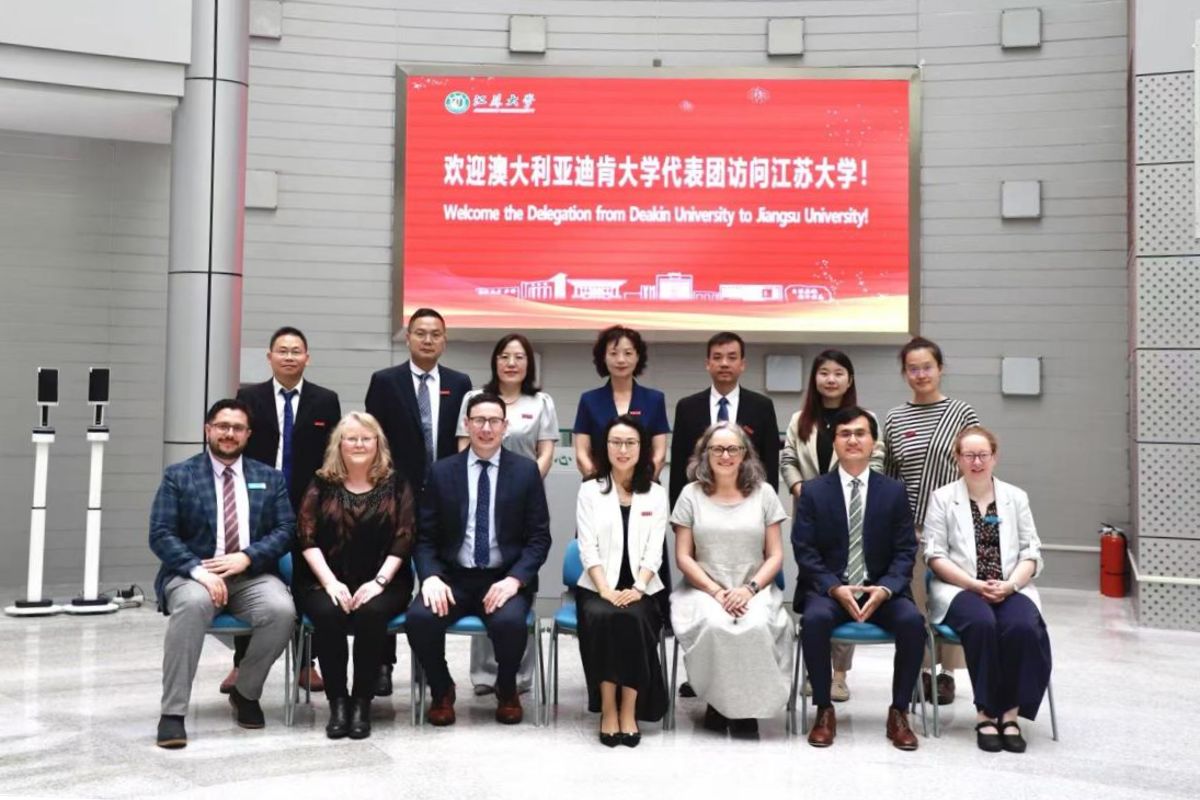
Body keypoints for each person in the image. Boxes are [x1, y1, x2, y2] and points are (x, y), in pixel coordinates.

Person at [150, 399, 295, 749]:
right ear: (208, 430)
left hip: (250, 574)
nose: (229, 433)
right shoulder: (179, 476)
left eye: (237, 428)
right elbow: (161, 534)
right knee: (192, 606)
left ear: (248, 434)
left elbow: (286, 529)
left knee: (282, 611)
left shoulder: (269, 478)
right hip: (194, 574)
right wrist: (199, 571)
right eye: (222, 426)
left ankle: (245, 692)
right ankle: (173, 713)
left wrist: (247, 557)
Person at [406, 393, 552, 726]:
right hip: (452, 577)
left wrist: (515, 580)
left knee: (510, 623)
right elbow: (424, 536)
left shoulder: (525, 472)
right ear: (467, 424)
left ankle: (506, 687)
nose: (486, 428)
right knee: (420, 619)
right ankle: (442, 688)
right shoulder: (443, 471)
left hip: (503, 577)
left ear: (505, 426)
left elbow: (539, 538)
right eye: (479, 421)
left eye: (494, 421)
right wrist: (430, 576)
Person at [792, 406, 924, 751]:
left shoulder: (893, 491)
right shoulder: (813, 491)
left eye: (860, 433)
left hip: (881, 590)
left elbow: (906, 550)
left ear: (874, 442)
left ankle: (899, 712)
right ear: (834, 441)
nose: (852, 440)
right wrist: (834, 588)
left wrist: (886, 589)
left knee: (912, 623)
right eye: (845, 434)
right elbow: (805, 550)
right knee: (814, 621)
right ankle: (824, 709)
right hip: (831, 590)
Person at [227, 325, 341, 695]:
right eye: (282, 350)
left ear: (307, 357)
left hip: (310, 505)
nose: (289, 357)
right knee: (254, 579)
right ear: (270, 357)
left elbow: (332, 455)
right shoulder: (249, 397)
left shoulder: (326, 400)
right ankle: (241, 663)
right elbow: (237, 449)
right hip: (259, 505)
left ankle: (307, 663)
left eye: (296, 351)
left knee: (308, 581)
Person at [923, 426, 1051, 753]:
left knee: (1022, 627)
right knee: (982, 624)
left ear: (995, 457)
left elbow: (1031, 552)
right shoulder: (942, 498)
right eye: (969, 455)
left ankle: (1010, 715)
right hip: (960, 587)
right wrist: (973, 584)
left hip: (1011, 585)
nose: (977, 462)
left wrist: (1011, 585)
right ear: (958, 458)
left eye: (983, 455)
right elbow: (934, 555)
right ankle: (986, 714)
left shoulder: (1015, 497)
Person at [365, 307, 472, 694]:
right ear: (408, 337)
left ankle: (430, 664)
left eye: (435, 334)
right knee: (389, 577)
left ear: (445, 340)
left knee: (436, 580)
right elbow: (375, 442)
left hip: (444, 498)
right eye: (421, 333)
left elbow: (462, 442)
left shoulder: (460, 383)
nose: (428, 340)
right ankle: (382, 663)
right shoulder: (385, 381)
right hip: (395, 497)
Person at [668, 331, 780, 698]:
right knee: (706, 610)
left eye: (732, 357)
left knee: (749, 616)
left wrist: (759, 523)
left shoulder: (761, 407)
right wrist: (682, 524)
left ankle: (745, 688)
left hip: (747, 525)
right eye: (717, 357)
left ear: (743, 363)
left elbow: (770, 468)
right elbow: (679, 470)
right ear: (707, 363)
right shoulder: (688, 407)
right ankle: (703, 680)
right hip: (702, 525)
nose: (725, 363)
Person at [295, 412, 415, 740]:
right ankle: (338, 703)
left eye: (366, 438)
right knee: (328, 613)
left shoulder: (396, 483)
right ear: (339, 444)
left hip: (385, 581)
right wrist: (330, 583)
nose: (359, 444)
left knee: (370, 614)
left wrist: (379, 583)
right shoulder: (321, 483)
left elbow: (405, 537)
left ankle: (362, 702)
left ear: (378, 443)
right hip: (324, 580)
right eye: (351, 438)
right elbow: (306, 536)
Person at [670, 422, 791, 737]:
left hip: (754, 588)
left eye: (733, 448)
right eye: (717, 449)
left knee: (755, 625)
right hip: (703, 589)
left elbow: (775, 555)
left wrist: (749, 590)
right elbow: (683, 557)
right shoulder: (690, 495)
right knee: (715, 624)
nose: (725, 455)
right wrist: (716, 592)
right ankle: (717, 701)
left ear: (745, 454)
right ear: (705, 454)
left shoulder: (764, 494)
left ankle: (747, 710)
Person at [456, 333, 559, 696]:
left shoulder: (541, 402)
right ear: (495, 361)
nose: (511, 363)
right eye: (504, 356)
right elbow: (463, 448)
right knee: (480, 575)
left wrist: (522, 484)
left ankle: (517, 677)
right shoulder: (475, 398)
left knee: (515, 583)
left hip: (524, 499)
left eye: (519, 357)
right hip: (479, 496)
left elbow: (545, 451)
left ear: (529, 363)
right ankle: (485, 675)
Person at [779, 349, 884, 702]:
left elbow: (877, 460)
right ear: (815, 379)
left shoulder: (866, 418)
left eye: (839, 372)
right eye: (824, 372)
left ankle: (839, 675)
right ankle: (815, 669)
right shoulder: (800, 420)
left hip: (853, 513)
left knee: (848, 586)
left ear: (850, 379)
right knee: (816, 588)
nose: (831, 379)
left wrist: (850, 491)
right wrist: (803, 490)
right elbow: (788, 459)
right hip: (810, 514)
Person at [883, 336, 980, 705]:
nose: (921, 374)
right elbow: (890, 476)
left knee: (952, 598)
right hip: (910, 528)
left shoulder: (961, 413)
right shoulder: (895, 418)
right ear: (904, 373)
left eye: (927, 367)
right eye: (913, 368)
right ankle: (922, 671)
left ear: (940, 369)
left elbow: (975, 465)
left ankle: (947, 674)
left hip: (954, 524)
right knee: (917, 601)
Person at [576, 415, 669, 747]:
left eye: (630, 442)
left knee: (633, 619)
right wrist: (605, 590)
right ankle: (607, 708)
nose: (623, 449)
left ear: (642, 448)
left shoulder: (655, 493)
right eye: (616, 442)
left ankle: (629, 708)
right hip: (597, 586)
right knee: (604, 617)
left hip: (642, 587)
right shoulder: (590, 490)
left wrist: (638, 588)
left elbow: (655, 550)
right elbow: (587, 547)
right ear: (605, 447)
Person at [573, 325, 669, 479]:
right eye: (613, 353)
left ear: (638, 357)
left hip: (644, 485)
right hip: (599, 485)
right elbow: (582, 453)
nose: (621, 360)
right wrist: (600, 484)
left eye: (628, 353)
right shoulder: (589, 400)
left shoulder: (654, 399)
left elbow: (659, 453)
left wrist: (643, 484)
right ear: (603, 357)